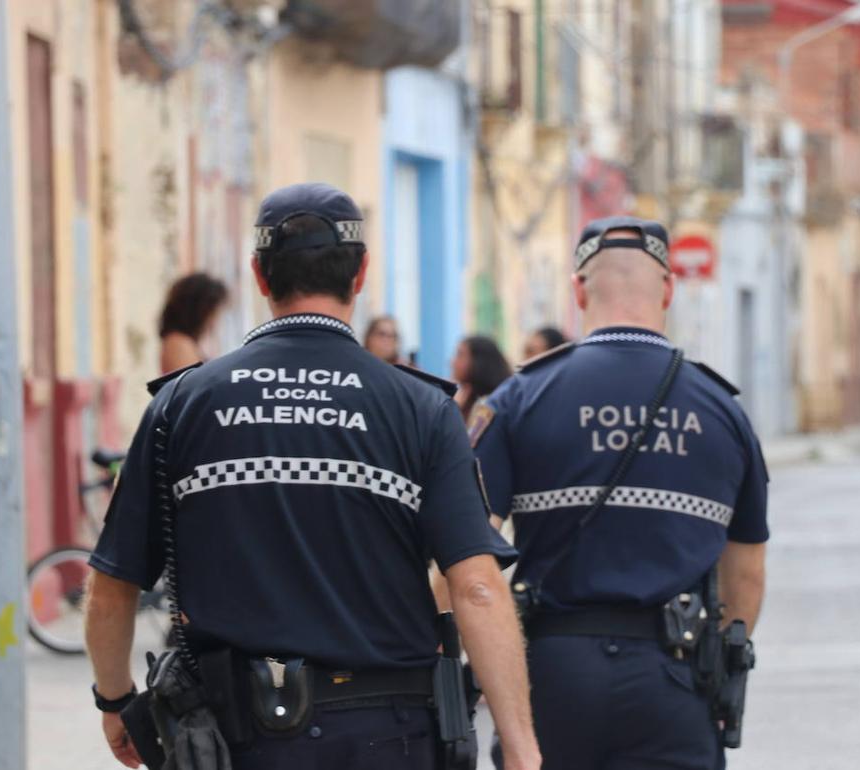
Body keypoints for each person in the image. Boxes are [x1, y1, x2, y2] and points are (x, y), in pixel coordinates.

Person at [85, 182, 541, 770]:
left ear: (258, 274)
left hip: (233, 742)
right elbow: (477, 587)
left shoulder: (182, 404)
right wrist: (523, 750)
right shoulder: (422, 409)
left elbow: (112, 587)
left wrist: (116, 700)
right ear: (361, 273)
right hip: (390, 738)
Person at [470, 216, 769, 770]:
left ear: (578, 290)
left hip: (550, 678)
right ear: (669, 290)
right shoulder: (723, 410)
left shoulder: (518, 399)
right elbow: (745, 578)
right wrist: (716, 665)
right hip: (675, 678)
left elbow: (471, 566)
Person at [159, 272, 230, 373]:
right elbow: (188, 386)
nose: (216, 318)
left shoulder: (184, 342)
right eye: (214, 310)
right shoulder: (179, 344)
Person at [450, 335, 512, 423]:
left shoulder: (491, 404)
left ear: (479, 361)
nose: (453, 362)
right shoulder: (464, 397)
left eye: (460, 355)